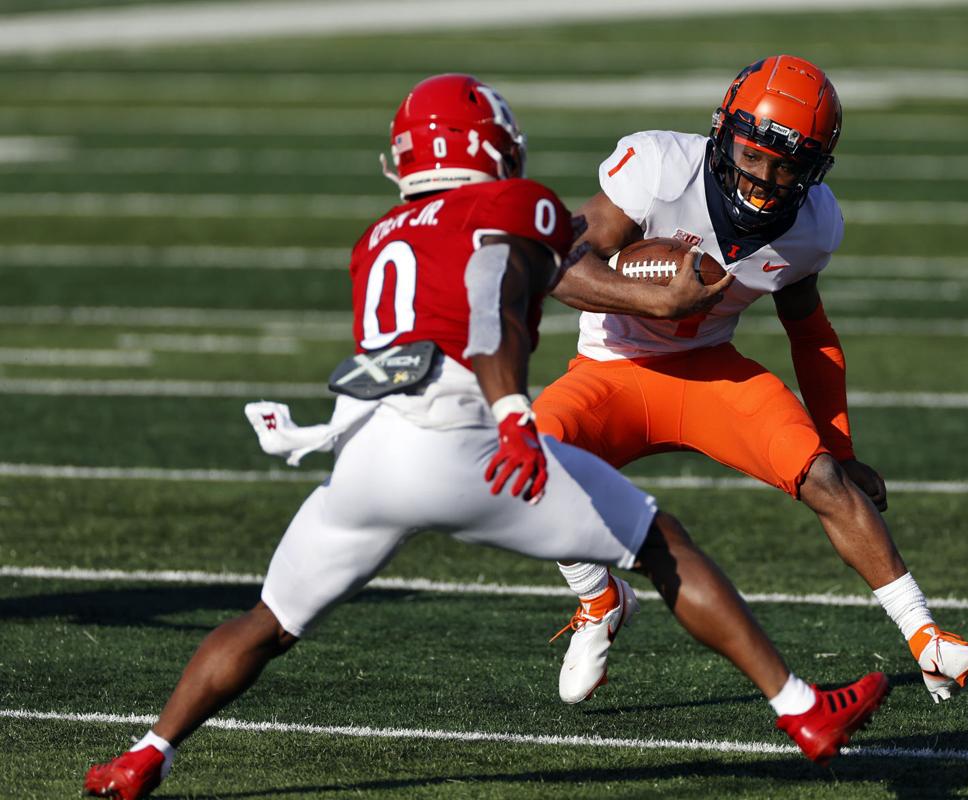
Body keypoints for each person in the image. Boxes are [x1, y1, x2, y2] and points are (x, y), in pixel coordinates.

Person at [83, 73, 890, 800]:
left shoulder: (377, 239)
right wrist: (516, 411)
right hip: (470, 444)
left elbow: (393, 350)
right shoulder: (518, 206)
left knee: (268, 621)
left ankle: (147, 753)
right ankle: (802, 709)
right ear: (491, 145)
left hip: (368, 457)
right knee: (660, 541)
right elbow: (502, 309)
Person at [536, 55, 968, 706]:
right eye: (754, 155)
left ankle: (926, 638)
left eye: (788, 167)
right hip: (613, 368)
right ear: (724, 133)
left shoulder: (811, 226)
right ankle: (599, 596)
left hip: (707, 373)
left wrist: (841, 448)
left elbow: (810, 332)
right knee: (525, 459)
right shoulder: (660, 169)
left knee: (824, 480)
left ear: (813, 172)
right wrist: (654, 302)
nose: (764, 180)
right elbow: (555, 265)